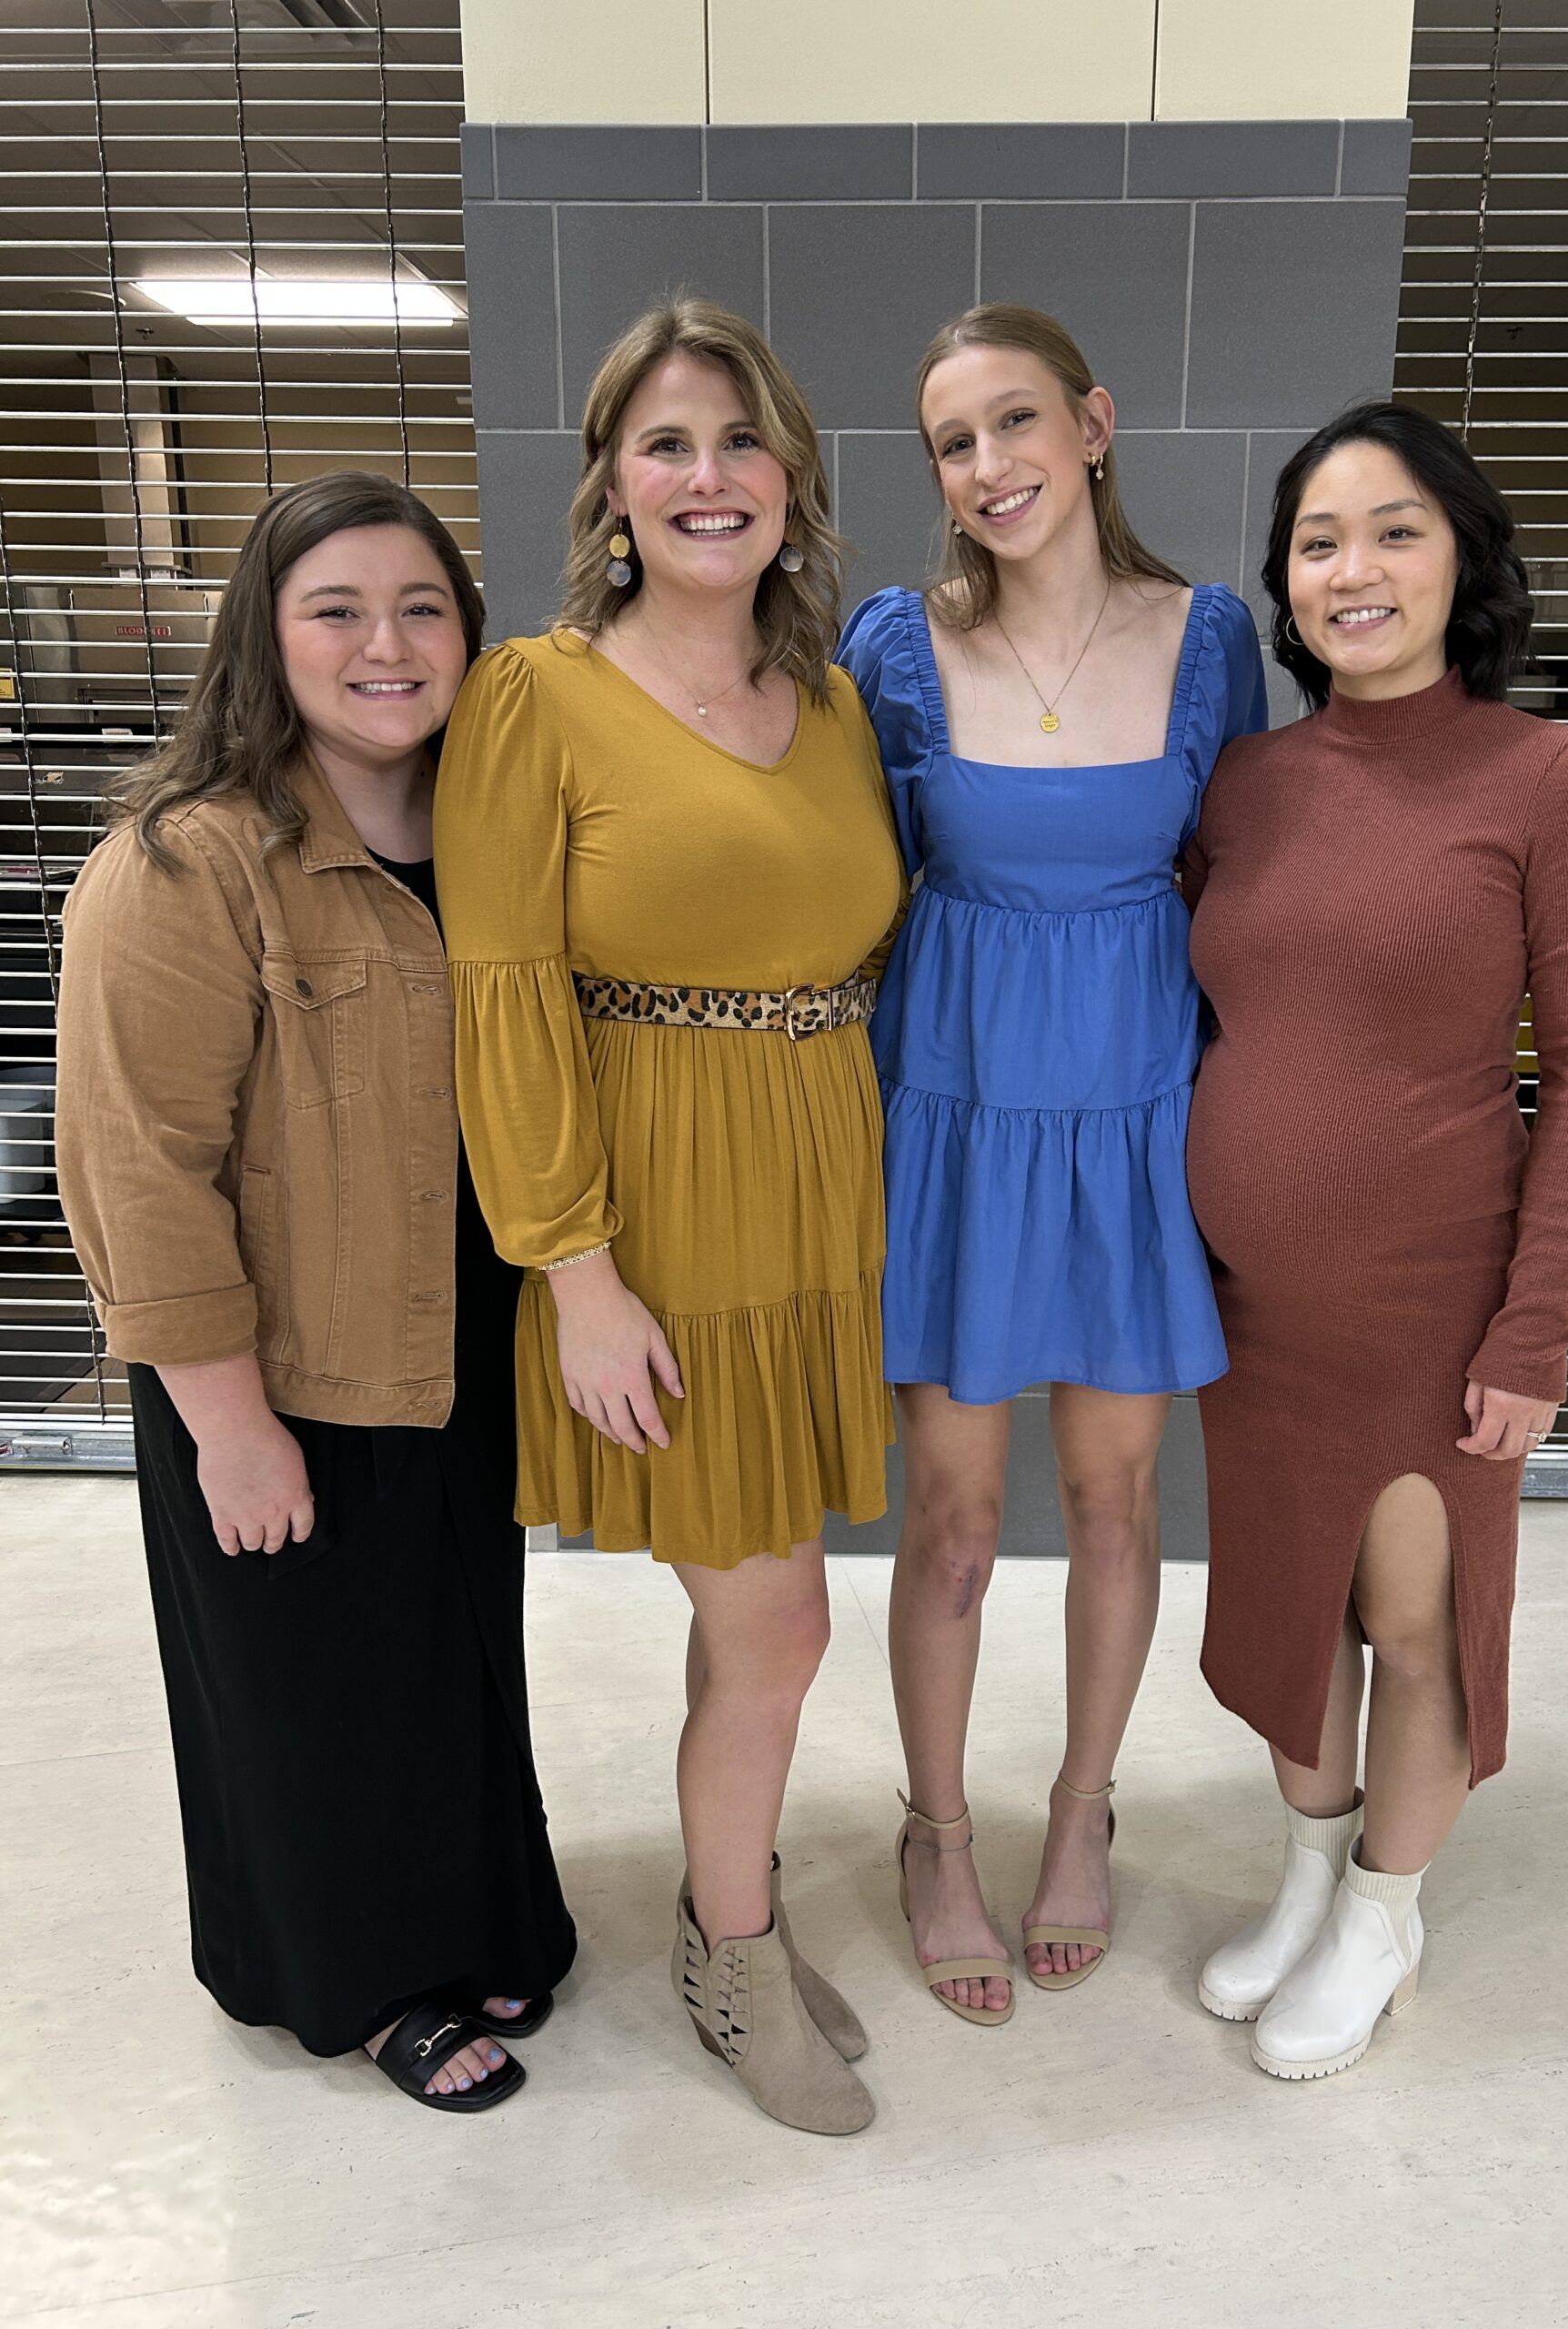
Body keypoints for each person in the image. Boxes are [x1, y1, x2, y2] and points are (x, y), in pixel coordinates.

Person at [434, 300, 903, 2136]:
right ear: (612, 487)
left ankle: (735, 1905)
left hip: (813, 1203)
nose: (710, 476)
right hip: (662, 1225)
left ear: (792, 475)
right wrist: (578, 1272)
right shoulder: (533, 696)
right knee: (780, 1627)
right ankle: (734, 1958)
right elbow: (503, 993)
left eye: (741, 439)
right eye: (667, 444)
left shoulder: (834, 701)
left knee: (755, 1612)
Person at [55, 472, 577, 2112]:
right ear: (264, 640)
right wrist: (229, 1425)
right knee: (309, 1691)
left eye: (421, 607)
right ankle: (359, 1983)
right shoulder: (187, 863)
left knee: (451, 1657)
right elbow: (138, 1171)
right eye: (335, 611)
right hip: (276, 1367)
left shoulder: (486, 838)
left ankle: (477, 1917)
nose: (385, 644)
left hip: (454, 1338)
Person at [1183, 401, 1568, 2079]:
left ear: (1463, 558)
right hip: (1252, 1316)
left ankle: (1385, 1912)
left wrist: (1535, 1334)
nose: (1354, 569)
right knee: (1292, 1612)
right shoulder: (1247, 784)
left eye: (1394, 531)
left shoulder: (1547, 780)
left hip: (1430, 1312)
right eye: (1319, 541)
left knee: (1413, 1622)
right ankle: (1313, 1877)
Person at [837, 304, 1267, 2023]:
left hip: (1134, 1118)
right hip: (954, 1114)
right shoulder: (898, 645)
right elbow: (853, 884)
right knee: (949, 1526)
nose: (989, 464)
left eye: (1015, 421)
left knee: (1112, 1504)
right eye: (954, 441)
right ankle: (935, 1833)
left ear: (1091, 424)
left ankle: (1084, 1809)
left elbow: (1243, 875)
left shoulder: (1208, 637)